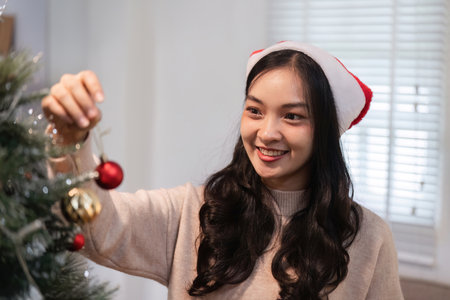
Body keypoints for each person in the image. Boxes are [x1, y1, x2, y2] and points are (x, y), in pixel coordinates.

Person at [42, 41, 404, 300]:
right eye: (255, 111)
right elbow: (96, 228)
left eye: (292, 116)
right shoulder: (194, 213)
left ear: (324, 132)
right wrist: (69, 142)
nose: (267, 133)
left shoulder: (369, 239)